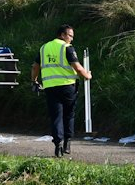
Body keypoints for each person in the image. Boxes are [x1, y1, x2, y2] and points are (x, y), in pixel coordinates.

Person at [31, 25, 92, 158]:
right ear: (62, 35)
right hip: (67, 86)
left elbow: (35, 67)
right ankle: (68, 143)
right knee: (69, 115)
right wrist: (87, 75)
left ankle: (58, 144)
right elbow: (77, 67)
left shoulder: (44, 48)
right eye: (70, 36)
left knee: (56, 116)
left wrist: (34, 81)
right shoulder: (66, 48)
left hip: (50, 87)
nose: (71, 39)